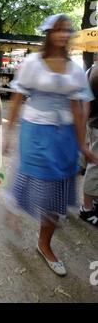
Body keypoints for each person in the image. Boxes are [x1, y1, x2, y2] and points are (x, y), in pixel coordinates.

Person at [4, 14, 95, 276]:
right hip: (35, 133)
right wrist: (9, 135)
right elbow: (18, 97)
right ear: (48, 33)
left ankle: (44, 243)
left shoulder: (75, 68)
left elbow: (77, 108)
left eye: (67, 30)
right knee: (31, 181)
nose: (63, 34)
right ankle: (13, 208)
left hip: (64, 137)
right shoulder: (33, 62)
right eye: (58, 30)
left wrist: (82, 145)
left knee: (57, 193)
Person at [79, 58, 98, 226]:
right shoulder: (95, 73)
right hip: (96, 125)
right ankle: (86, 208)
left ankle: (93, 201)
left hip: (92, 124)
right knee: (95, 166)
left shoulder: (90, 70)